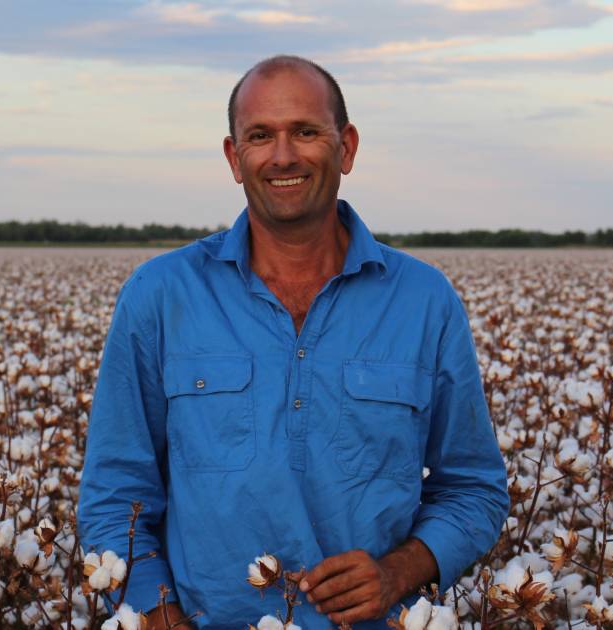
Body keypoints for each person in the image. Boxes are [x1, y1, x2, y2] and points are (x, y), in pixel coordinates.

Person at [77, 55, 508, 630]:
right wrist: (157, 614)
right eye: (260, 136)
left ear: (346, 147)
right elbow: (115, 493)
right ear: (235, 158)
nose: (283, 156)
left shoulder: (424, 302)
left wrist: (399, 572)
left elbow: (474, 488)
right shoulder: (160, 295)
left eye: (305, 131)